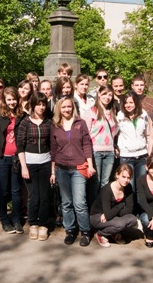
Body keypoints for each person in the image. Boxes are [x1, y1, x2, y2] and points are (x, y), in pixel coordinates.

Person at [51, 97, 95, 246]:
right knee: (66, 202)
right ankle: (70, 230)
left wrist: (90, 165)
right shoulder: (55, 125)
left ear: (73, 107)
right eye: (63, 107)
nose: (66, 109)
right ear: (59, 109)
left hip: (78, 168)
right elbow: (53, 150)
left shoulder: (80, 123)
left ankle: (85, 231)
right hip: (61, 168)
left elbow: (86, 144)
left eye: (69, 107)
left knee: (80, 202)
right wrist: (52, 172)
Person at [0, 87, 25, 234]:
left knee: (16, 191)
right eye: (9, 99)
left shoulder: (22, 115)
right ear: (4, 100)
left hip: (17, 158)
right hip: (1, 158)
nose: (12, 102)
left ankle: (16, 219)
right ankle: (4, 220)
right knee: (2, 191)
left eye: (14, 99)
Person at [17, 93, 53, 241]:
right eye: (38, 104)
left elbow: (52, 146)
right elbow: (20, 145)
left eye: (43, 104)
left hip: (45, 162)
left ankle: (43, 224)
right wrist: (23, 167)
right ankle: (33, 223)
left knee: (44, 195)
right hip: (30, 164)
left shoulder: (49, 122)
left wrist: (52, 169)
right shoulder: (25, 122)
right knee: (33, 196)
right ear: (33, 105)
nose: (41, 107)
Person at [90, 164, 139, 247]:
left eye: (128, 178)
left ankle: (112, 233)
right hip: (98, 216)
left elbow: (129, 210)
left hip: (111, 214)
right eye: (123, 177)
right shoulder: (107, 190)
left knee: (133, 219)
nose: (126, 180)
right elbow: (108, 216)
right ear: (117, 175)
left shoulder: (128, 187)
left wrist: (113, 211)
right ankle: (100, 234)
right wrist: (121, 205)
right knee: (120, 224)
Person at [83, 85, 118, 193]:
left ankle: (104, 206)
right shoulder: (91, 111)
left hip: (110, 151)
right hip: (95, 151)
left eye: (110, 95)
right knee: (95, 182)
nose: (107, 97)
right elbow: (86, 134)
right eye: (104, 94)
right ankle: (95, 208)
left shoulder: (113, 111)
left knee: (105, 182)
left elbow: (114, 132)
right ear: (99, 94)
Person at [116, 91, 153, 193]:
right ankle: (129, 209)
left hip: (142, 156)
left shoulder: (143, 116)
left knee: (141, 187)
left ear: (136, 103)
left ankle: (140, 208)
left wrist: (148, 154)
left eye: (131, 102)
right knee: (129, 187)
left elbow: (148, 135)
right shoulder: (120, 117)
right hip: (126, 157)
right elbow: (114, 134)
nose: (128, 105)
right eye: (126, 103)